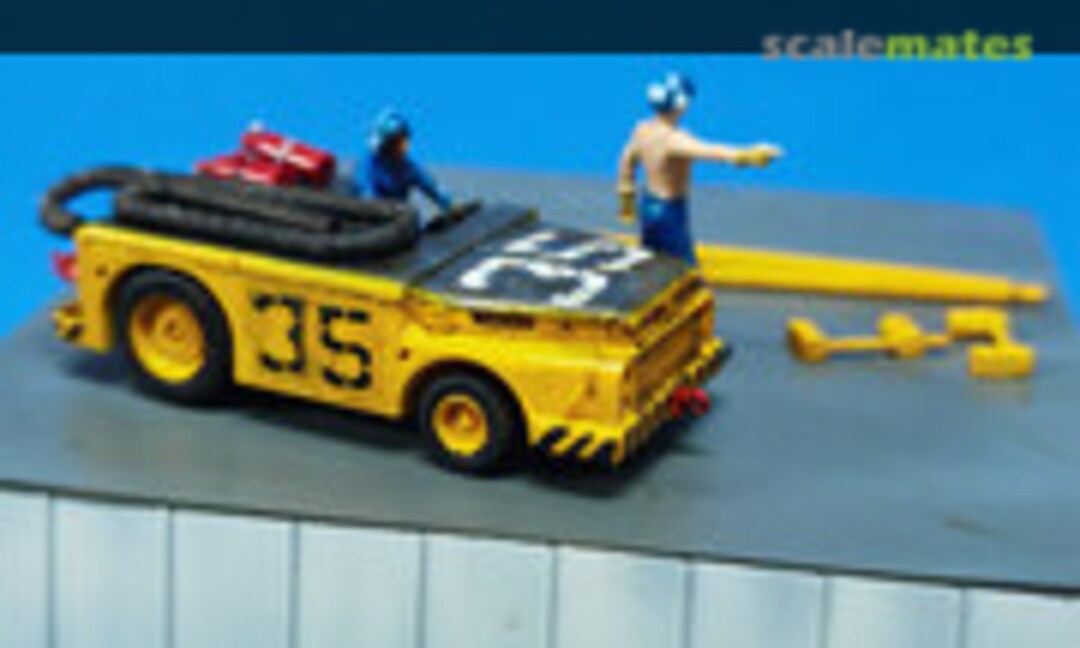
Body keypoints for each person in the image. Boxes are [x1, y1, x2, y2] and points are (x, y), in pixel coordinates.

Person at [617, 73, 782, 264]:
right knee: (683, 264)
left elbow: (626, 161)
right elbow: (710, 151)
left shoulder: (642, 129)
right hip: (669, 211)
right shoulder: (674, 140)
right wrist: (745, 156)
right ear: (681, 105)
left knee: (651, 258)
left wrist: (626, 197)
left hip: (648, 204)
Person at [360, 109, 453, 212]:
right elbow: (368, 201)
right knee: (409, 213)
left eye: (405, 141)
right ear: (386, 144)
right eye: (399, 142)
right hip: (372, 216)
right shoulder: (368, 166)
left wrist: (448, 204)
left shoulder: (406, 167)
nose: (404, 147)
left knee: (410, 213)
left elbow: (429, 185)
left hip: (397, 215)